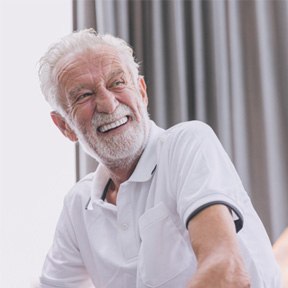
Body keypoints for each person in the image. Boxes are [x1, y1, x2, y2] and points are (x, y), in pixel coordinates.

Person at [37, 28, 281, 288]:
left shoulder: (187, 144)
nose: (108, 104)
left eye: (117, 83)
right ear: (64, 126)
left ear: (141, 91)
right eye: (84, 95)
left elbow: (226, 271)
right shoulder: (79, 205)